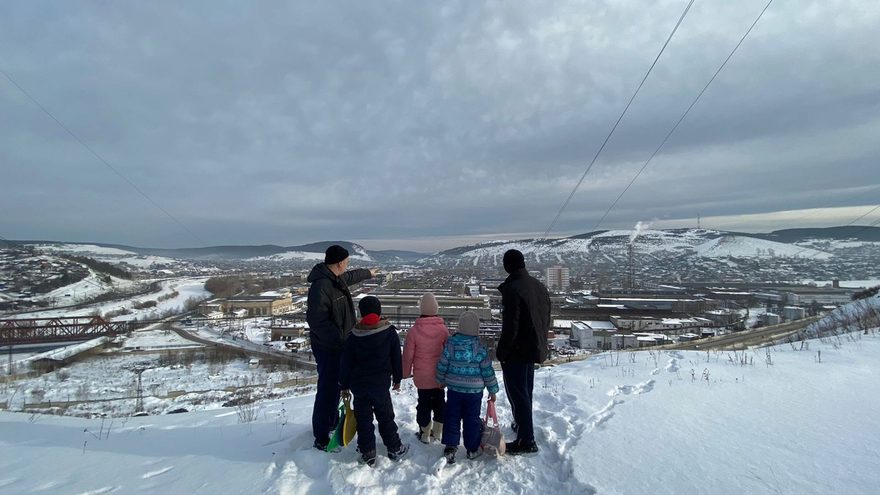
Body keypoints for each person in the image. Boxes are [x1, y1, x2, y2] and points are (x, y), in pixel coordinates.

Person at [306, 244, 375, 451]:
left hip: (339, 346)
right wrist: (340, 340)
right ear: (338, 263)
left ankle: (331, 421)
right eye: (346, 261)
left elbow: (352, 277)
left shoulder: (334, 279)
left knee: (336, 387)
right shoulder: (321, 287)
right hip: (329, 348)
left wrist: (368, 273)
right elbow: (317, 322)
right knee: (327, 389)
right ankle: (321, 435)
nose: (348, 265)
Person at [339, 296, 409, 466]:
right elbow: (396, 358)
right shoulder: (389, 332)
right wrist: (397, 378)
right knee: (385, 417)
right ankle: (394, 447)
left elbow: (346, 362)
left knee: (363, 420)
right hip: (380, 386)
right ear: (379, 312)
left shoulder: (353, 335)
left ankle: (367, 452)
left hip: (360, 387)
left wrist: (344, 384)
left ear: (361, 313)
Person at [497, 249, 550, 455]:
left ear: (508, 266)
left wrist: (503, 352)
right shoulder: (538, 286)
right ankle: (522, 426)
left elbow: (511, 326)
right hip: (533, 347)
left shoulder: (513, 290)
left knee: (518, 394)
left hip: (517, 352)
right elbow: (544, 319)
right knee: (526, 392)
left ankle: (527, 440)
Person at [436, 311, 499, 464]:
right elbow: (487, 371)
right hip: (474, 392)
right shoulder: (480, 349)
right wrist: (493, 390)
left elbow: (442, 364)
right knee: (472, 420)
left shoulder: (450, 345)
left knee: (452, 417)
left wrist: (440, 380)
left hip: (454, 390)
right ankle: (472, 448)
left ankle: (450, 447)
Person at [402, 293, 449, 443]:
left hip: (422, 378)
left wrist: (405, 373)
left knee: (423, 404)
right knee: (440, 403)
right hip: (440, 377)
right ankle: (438, 431)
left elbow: (408, 356)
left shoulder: (413, 331)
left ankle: (424, 433)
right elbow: (448, 354)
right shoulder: (443, 330)